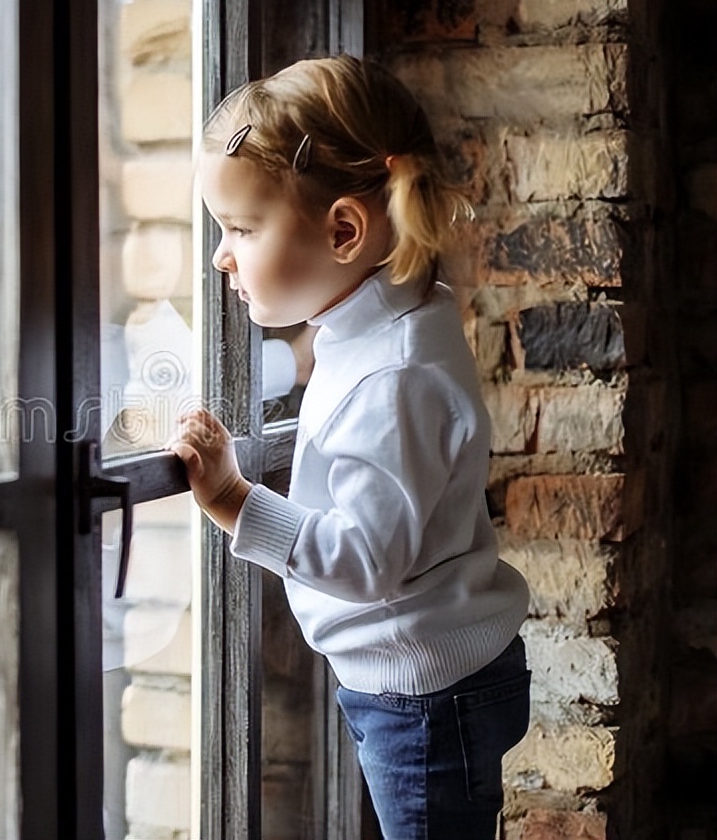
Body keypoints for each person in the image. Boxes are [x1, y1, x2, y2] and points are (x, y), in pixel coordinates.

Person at [167, 54, 531, 840]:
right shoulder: (398, 320)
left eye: (241, 228)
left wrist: (233, 499)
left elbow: (367, 561)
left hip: (425, 695)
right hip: (428, 679)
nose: (221, 255)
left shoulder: (393, 377)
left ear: (343, 230)